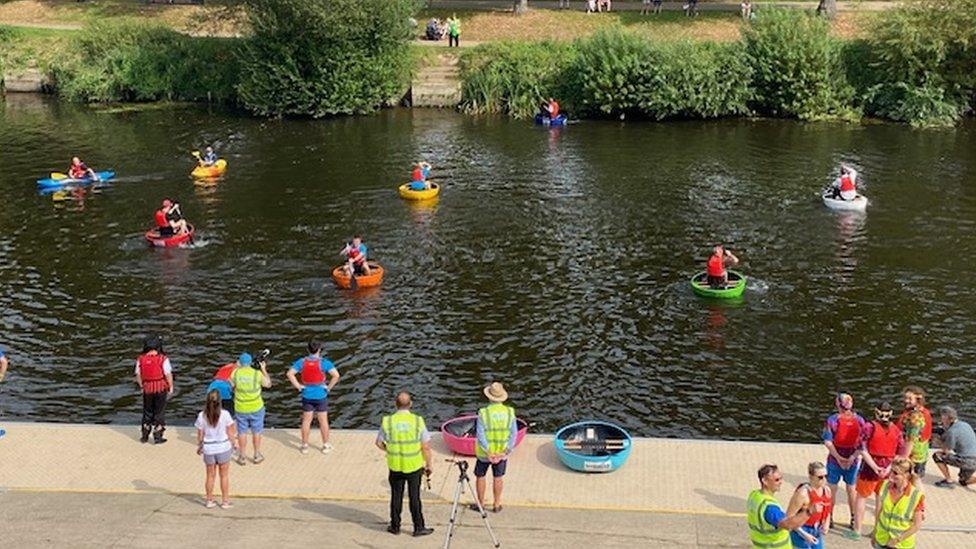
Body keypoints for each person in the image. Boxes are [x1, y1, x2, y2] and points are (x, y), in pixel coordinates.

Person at [375, 391, 435, 537]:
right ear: (411, 404)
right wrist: (428, 464)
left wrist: (390, 450)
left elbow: (378, 443)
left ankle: (395, 526)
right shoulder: (417, 421)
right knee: (414, 497)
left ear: (396, 404)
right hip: (414, 465)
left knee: (396, 496)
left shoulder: (387, 421)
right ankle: (418, 527)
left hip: (395, 465)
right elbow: (425, 446)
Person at [851, 402, 907, 541]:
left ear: (876, 412)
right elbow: (900, 452)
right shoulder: (896, 430)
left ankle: (857, 530)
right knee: (881, 499)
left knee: (861, 497)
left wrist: (874, 467)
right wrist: (888, 468)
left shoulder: (869, 426)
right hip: (888, 468)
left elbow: (862, 448)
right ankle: (877, 530)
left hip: (869, 468)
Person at [747, 464, 823, 549]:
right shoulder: (770, 508)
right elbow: (788, 525)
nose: (780, 482)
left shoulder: (754, 496)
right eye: (777, 480)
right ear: (764, 481)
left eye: (781, 478)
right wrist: (809, 512)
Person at [287, 340, 340, 454]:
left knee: (306, 421)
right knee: (323, 421)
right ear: (319, 350)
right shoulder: (324, 363)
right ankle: (325, 445)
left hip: (307, 395)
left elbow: (290, 374)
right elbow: (336, 375)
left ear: (308, 350)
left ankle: (304, 446)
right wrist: (329, 388)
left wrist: (298, 386)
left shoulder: (301, 362)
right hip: (321, 395)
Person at [472, 382, 518, 513]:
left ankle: (480, 504)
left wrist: (488, 452)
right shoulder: (510, 412)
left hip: (484, 454)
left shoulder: (484, 413)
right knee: (498, 477)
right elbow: (513, 434)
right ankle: (496, 504)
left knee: (480, 476)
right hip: (501, 452)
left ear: (489, 397)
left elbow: (480, 435)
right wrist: (506, 451)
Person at [822, 392, 865, 529]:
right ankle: (853, 518)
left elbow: (828, 442)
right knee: (851, 489)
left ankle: (829, 517)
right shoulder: (860, 420)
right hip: (853, 459)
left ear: (838, 404)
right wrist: (852, 457)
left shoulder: (832, 420)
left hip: (835, 459)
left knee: (831, 488)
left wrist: (838, 458)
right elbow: (863, 444)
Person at [195, 389, 238, 509]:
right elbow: (230, 432)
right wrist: (234, 444)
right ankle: (225, 501)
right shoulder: (225, 414)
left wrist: (199, 446)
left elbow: (200, 433)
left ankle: (209, 500)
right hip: (223, 447)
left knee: (210, 475)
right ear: (220, 401)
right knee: (224, 476)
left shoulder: (202, 415)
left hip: (209, 448)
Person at [872, 456, 925, 549]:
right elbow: (878, 512)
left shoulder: (916, 496)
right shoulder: (883, 486)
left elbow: (917, 525)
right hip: (881, 540)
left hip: (901, 545)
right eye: (891, 471)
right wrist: (874, 532)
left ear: (906, 475)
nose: (891, 475)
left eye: (895, 473)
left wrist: (897, 540)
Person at [229, 352, 271, 465]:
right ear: (250, 362)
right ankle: (256, 455)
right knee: (256, 432)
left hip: (241, 407)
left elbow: (231, 386)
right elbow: (268, 384)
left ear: (240, 362)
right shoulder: (256, 374)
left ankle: (242, 457)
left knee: (242, 432)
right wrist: (264, 370)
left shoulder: (235, 373)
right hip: (256, 407)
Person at [134, 335, 173, 444]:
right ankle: (158, 435)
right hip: (160, 387)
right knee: (159, 412)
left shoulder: (141, 359)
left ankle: (145, 434)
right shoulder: (163, 359)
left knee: (147, 411)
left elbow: (138, 374)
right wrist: (170, 387)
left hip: (147, 388)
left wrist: (141, 386)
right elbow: (168, 374)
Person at [785, 462, 832, 549]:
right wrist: (804, 534)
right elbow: (789, 517)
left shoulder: (827, 491)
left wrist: (827, 523)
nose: (824, 479)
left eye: (826, 476)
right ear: (811, 477)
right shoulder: (802, 494)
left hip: (817, 530)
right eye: (820, 477)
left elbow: (828, 509)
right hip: (801, 529)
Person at [932, 405, 976, 488]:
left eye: (942, 417)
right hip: (974, 460)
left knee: (937, 456)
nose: (941, 419)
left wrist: (938, 442)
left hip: (966, 461)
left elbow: (947, 451)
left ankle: (948, 481)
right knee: (963, 481)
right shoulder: (965, 424)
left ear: (947, 418)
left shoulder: (952, 432)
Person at [898, 386, 933, 477]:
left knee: (912, 479)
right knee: (917, 478)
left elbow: (911, 439)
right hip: (922, 452)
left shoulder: (914, 417)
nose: (906, 400)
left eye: (910, 398)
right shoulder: (924, 411)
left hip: (913, 455)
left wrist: (904, 457)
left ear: (918, 399)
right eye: (905, 398)